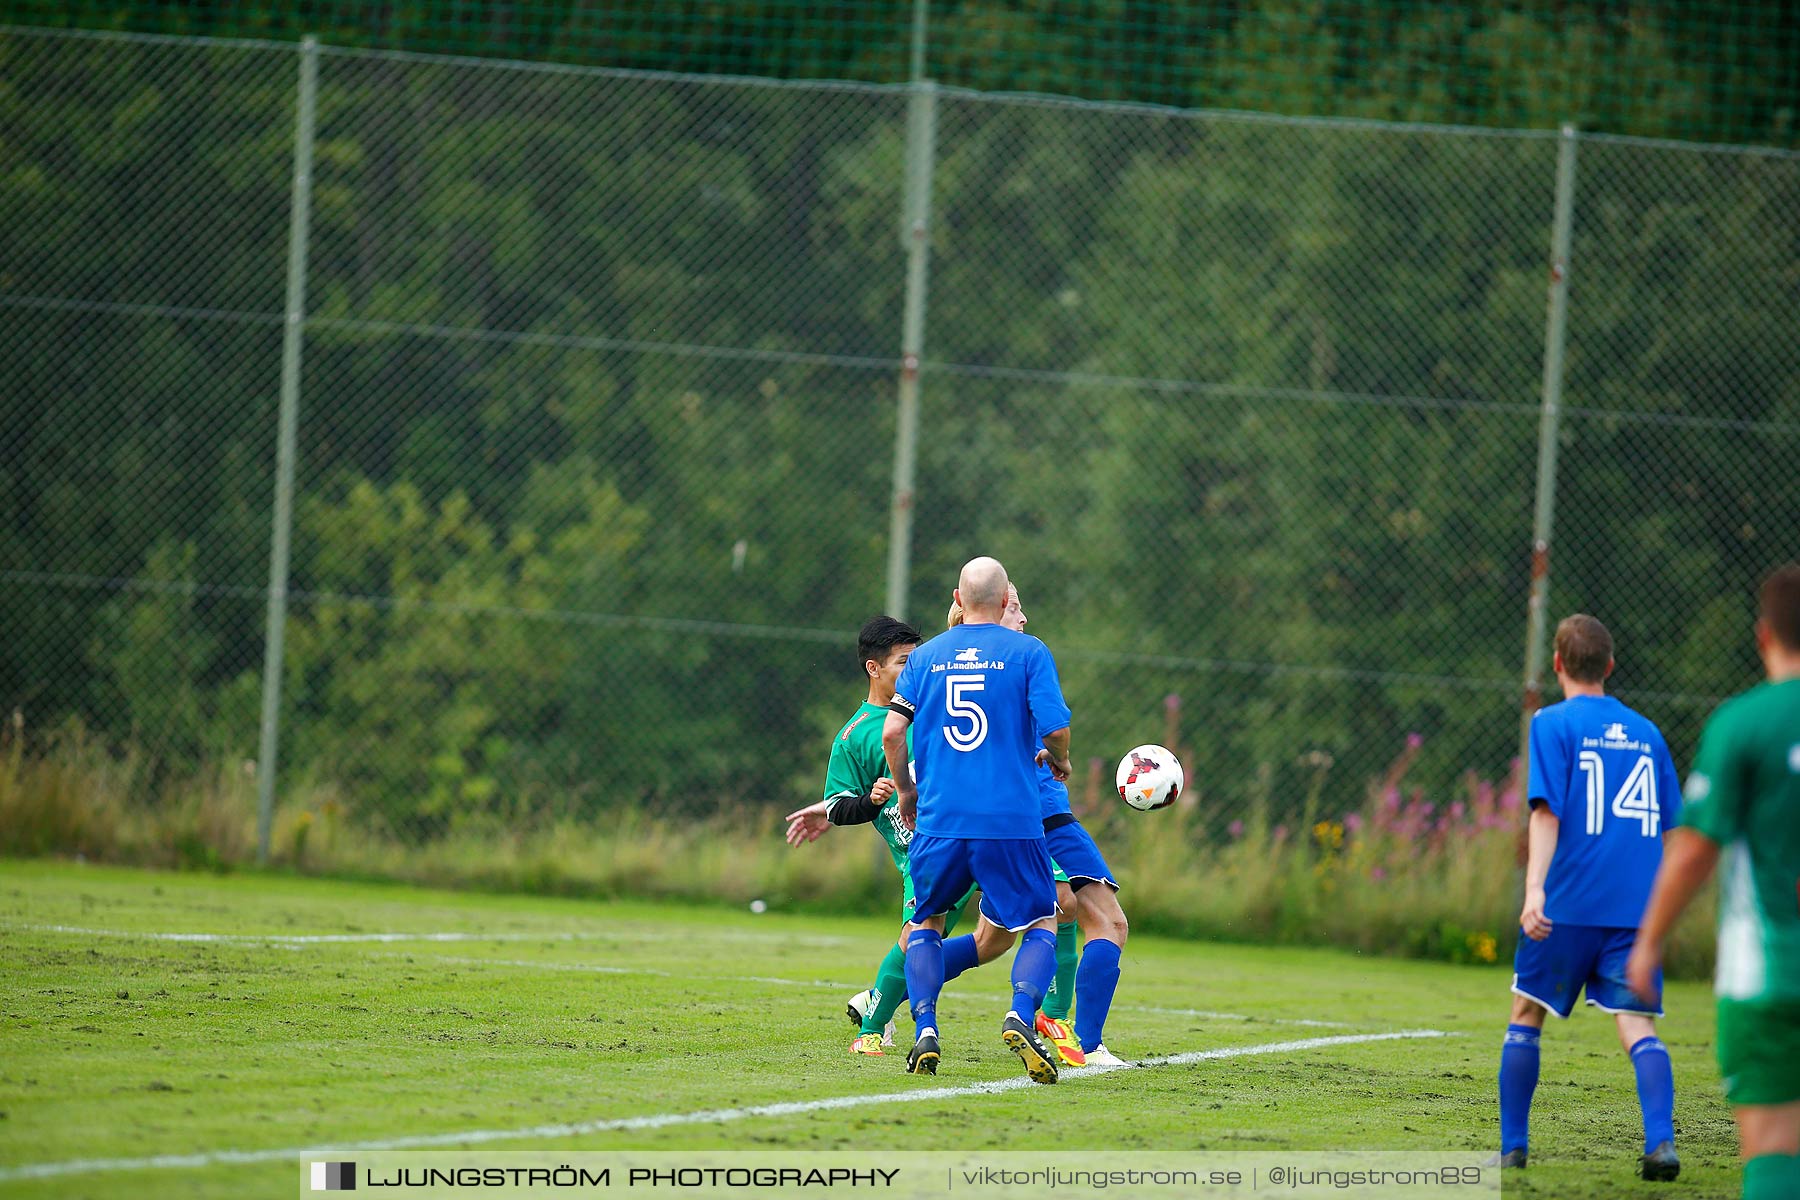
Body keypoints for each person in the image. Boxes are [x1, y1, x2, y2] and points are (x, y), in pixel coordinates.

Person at [1629, 565, 1800, 1200]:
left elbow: (1696, 851)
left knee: (1775, 1148)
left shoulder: (1743, 724)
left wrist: (1648, 943)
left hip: (1770, 977)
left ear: (1764, 635)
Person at [1495, 614, 1682, 1180]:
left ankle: (1513, 1147)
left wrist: (1534, 889)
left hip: (1567, 907)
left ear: (1556, 664)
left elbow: (1545, 812)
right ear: (1610, 666)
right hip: (1635, 911)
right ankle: (1661, 1144)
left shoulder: (1551, 723)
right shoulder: (1649, 733)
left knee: (1526, 1012)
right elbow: (1673, 829)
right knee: (1637, 1024)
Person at [884, 556, 1071, 1081]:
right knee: (1040, 920)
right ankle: (1020, 1012)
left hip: (940, 819)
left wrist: (905, 792)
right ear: (1007, 598)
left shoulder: (924, 658)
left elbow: (893, 735)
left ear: (957, 598)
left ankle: (924, 1028)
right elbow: (1054, 730)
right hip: (1009, 821)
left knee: (926, 921)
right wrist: (1062, 760)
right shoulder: (1029, 652)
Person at [933, 584, 1129, 1068]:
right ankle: (1085, 1043)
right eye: (1016, 606)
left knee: (990, 942)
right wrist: (1057, 757)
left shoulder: (955, 669)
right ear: (995, 611)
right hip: (1041, 816)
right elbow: (1054, 730)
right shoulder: (1021, 659)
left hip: (988, 821)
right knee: (1106, 921)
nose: (1023, 615)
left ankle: (891, 986)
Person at [781, 615, 979, 1056]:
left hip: (976, 830)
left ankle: (1052, 1020)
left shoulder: (936, 706)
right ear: (874, 668)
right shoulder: (854, 737)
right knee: (919, 934)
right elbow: (841, 805)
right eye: (903, 663)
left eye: (917, 662)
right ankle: (872, 1025)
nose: (914, 672)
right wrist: (870, 801)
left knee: (1035, 914)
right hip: (921, 850)